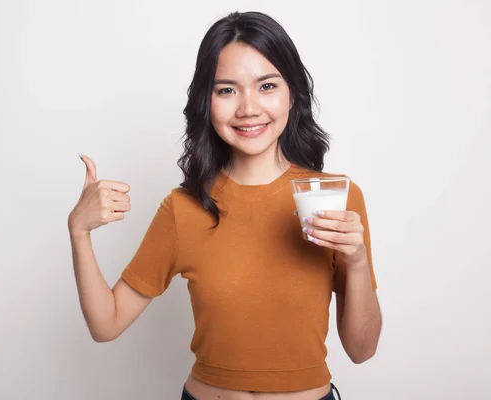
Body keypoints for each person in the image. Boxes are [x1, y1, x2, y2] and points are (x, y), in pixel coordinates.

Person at [68, 11, 382, 400]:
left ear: (292, 93)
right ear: (206, 101)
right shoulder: (184, 208)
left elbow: (362, 350)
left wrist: (357, 261)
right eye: (226, 90)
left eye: (266, 86)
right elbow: (106, 324)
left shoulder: (336, 198)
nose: (248, 108)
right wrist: (79, 231)